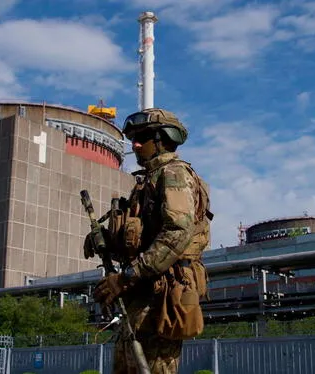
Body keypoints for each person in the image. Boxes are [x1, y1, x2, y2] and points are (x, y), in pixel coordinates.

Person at [91, 108, 212, 374]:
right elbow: (143, 238)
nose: (134, 144)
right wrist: (108, 240)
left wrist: (126, 277)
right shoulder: (149, 180)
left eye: (142, 137)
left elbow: (176, 233)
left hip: (161, 296)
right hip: (142, 293)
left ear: (162, 139)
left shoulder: (174, 174)